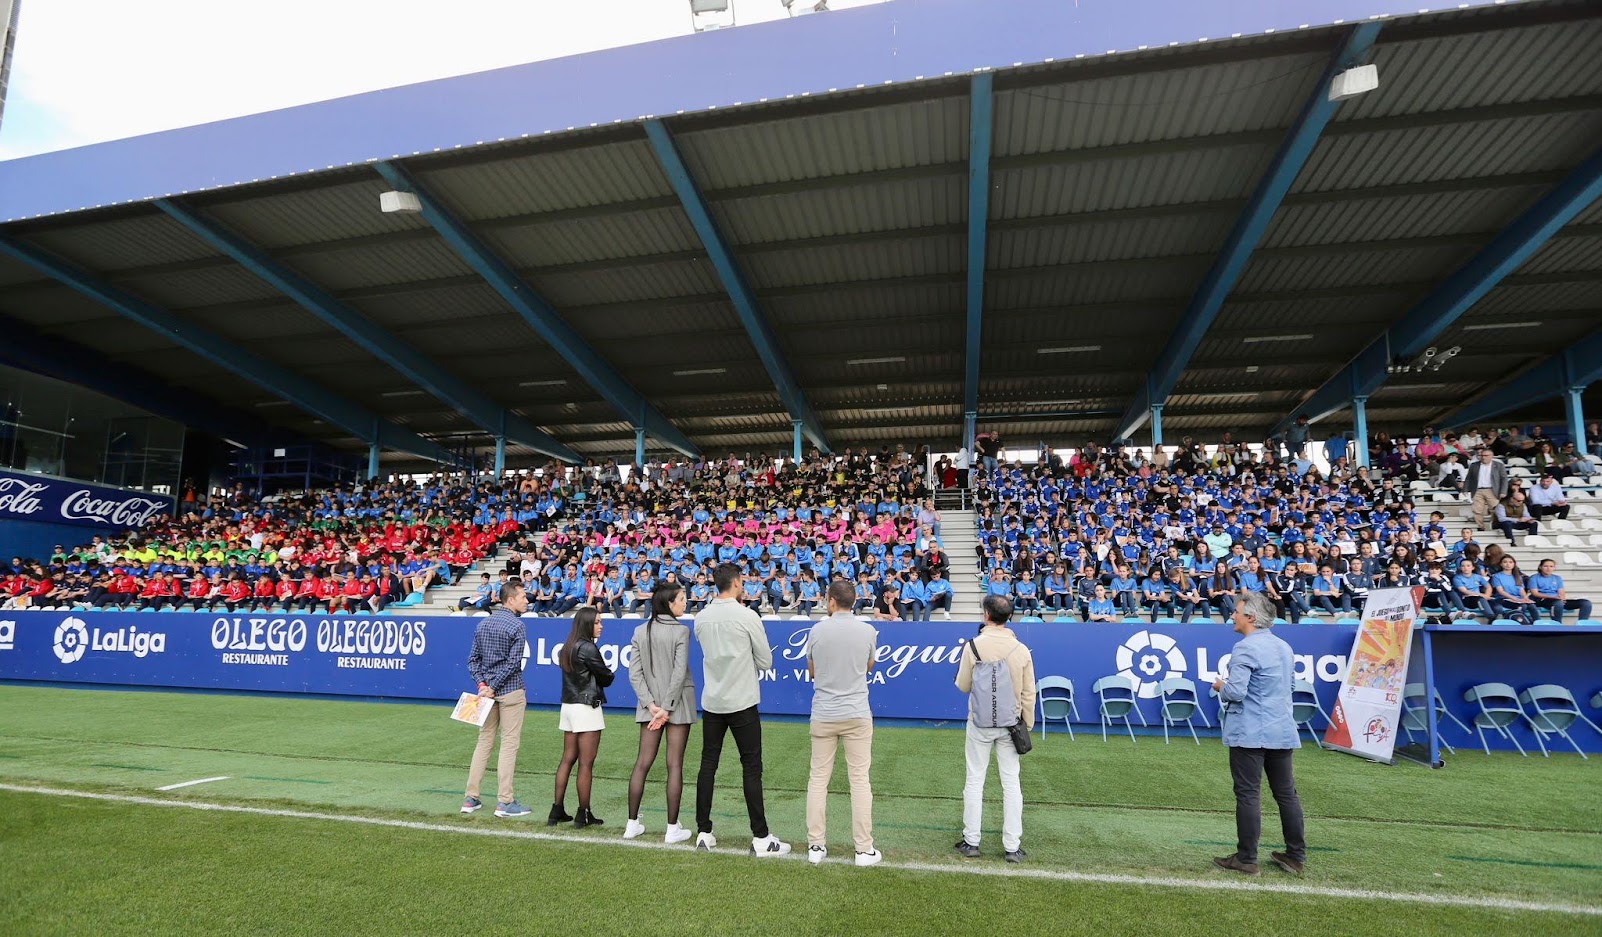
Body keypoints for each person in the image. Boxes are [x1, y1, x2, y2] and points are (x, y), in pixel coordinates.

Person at [694, 562, 791, 856]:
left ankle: (703, 831)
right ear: (736, 583)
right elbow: (765, 661)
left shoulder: (701, 617)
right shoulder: (747, 615)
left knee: (708, 763)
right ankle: (760, 837)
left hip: (713, 700)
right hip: (741, 701)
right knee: (751, 766)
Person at [1211, 591, 1307, 877]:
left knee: (1248, 794)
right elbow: (1290, 688)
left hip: (1250, 731)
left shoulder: (1244, 648)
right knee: (1287, 794)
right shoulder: (1284, 647)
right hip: (1281, 728)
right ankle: (1295, 855)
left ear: (1250, 617)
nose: (1232, 615)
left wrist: (1220, 687)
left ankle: (1247, 858)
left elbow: (1236, 692)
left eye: (1236, 612)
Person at [805, 580, 882, 867]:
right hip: (856, 711)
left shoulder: (817, 629)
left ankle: (816, 845)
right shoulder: (866, 630)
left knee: (818, 779)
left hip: (824, 712)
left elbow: (812, 671)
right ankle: (863, 849)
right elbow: (868, 666)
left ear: (832, 601)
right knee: (860, 781)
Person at [953, 595, 1036, 863]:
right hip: (1011, 723)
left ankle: (972, 841)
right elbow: (1028, 693)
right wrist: (1027, 724)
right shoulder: (1021, 649)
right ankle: (1012, 846)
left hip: (980, 721)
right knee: (1011, 783)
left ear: (987, 615)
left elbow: (963, 685)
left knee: (975, 780)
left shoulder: (974, 646)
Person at [624, 583, 697, 844]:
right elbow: (678, 673)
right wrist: (664, 707)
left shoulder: (640, 630)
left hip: (653, 707)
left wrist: (651, 704)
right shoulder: (681, 631)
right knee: (674, 764)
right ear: (669, 603)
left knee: (643, 762)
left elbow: (635, 674)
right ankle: (671, 829)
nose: (685, 602)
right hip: (674, 706)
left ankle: (632, 823)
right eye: (681, 598)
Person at [462, 579, 531, 818]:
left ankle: (471, 798)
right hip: (509, 690)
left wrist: (483, 685)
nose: (526, 600)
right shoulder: (517, 626)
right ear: (510, 599)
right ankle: (505, 801)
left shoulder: (483, 624)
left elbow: (473, 661)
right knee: (509, 745)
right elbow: (513, 663)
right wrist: (490, 686)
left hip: (487, 693)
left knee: (484, 742)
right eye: (523, 597)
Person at [553, 607, 614, 828]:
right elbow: (606, 677)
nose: (601, 626)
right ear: (588, 624)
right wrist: (607, 674)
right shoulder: (588, 647)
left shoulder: (567, 646)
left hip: (568, 705)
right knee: (586, 763)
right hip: (586, 707)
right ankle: (584, 813)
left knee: (567, 759)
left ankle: (556, 810)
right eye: (597, 622)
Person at [1526, 558, 1593, 624]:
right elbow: (1535, 593)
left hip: (1556, 599)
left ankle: (1583, 624)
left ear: (1554, 568)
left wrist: (1562, 598)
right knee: (1558, 603)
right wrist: (1554, 598)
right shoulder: (1534, 578)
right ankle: (1557, 624)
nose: (1548, 568)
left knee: (1586, 603)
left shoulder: (1557, 578)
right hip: (1541, 599)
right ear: (1540, 567)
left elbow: (1561, 591)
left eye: (1551, 566)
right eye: (1545, 566)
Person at [1468, 449, 1509, 530]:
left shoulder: (1499, 465)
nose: (1483, 457)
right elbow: (1469, 478)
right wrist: (1466, 489)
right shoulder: (1474, 465)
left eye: (1486, 456)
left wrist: (1503, 491)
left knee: (1495, 509)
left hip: (1492, 490)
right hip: (1478, 490)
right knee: (1477, 510)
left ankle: (1495, 525)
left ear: (1491, 456)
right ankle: (1480, 526)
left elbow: (1504, 479)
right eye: (1482, 455)